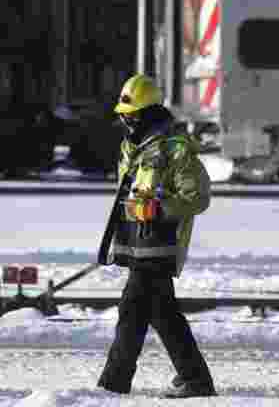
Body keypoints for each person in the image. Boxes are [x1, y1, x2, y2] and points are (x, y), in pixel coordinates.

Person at [97, 74, 216, 398]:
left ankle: (112, 384)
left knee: (131, 311)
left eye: (131, 115)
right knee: (163, 315)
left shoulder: (175, 150)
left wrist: (158, 209)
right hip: (138, 246)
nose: (125, 121)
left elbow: (198, 197)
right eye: (123, 115)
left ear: (148, 114)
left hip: (159, 247)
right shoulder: (131, 148)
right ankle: (195, 380)